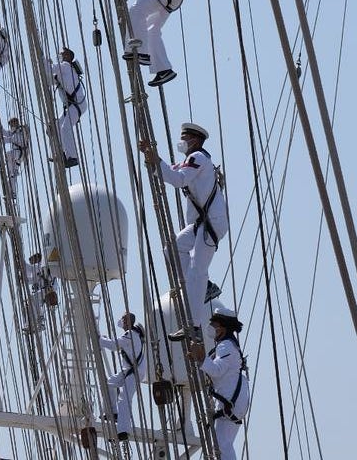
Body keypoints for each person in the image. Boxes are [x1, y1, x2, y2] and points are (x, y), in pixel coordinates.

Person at [140, 122, 228, 337]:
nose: (182, 142)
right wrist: (154, 160)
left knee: (197, 269)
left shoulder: (198, 157)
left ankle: (194, 326)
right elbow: (171, 171)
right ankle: (205, 286)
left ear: (195, 140)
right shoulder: (191, 160)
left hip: (211, 224)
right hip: (201, 224)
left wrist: (156, 161)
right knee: (173, 248)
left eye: (185, 138)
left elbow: (178, 180)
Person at [188, 305, 250, 460]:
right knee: (222, 445)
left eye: (216, 325)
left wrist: (201, 359)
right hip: (231, 404)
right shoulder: (228, 345)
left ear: (224, 328)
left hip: (230, 404)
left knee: (221, 446)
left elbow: (217, 370)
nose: (212, 328)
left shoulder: (226, 345)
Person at [99, 310, 146, 442]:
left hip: (134, 372)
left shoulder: (130, 334)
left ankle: (123, 431)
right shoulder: (132, 333)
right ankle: (112, 412)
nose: (122, 322)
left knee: (124, 399)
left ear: (130, 322)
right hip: (128, 370)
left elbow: (114, 346)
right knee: (109, 383)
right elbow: (120, 323)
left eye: (125, 320)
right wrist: (125, 317)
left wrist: (100, 339)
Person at [48, 47, 87, 168]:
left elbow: (49, 69)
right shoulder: (64, 72)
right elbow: (50, 78)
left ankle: (73, 157)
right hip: (72, 106)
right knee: (53, 128)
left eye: (63, 54)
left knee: (65, 127)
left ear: (68, 57)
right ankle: (62, 153)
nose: (60, 56)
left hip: (76, 104)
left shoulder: (65, 66)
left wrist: (42, 58)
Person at [2, 116, 30, 199]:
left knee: (8, 155)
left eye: (11, 125)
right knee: (12, 176)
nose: (11, 127)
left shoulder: (21, 131)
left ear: (15, 123)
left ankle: (12, 171)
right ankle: (13, 193)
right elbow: (5, 133)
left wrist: (3, 139)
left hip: (19, 153)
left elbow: (11, 139)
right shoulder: (14, 132)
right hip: (17, 155)